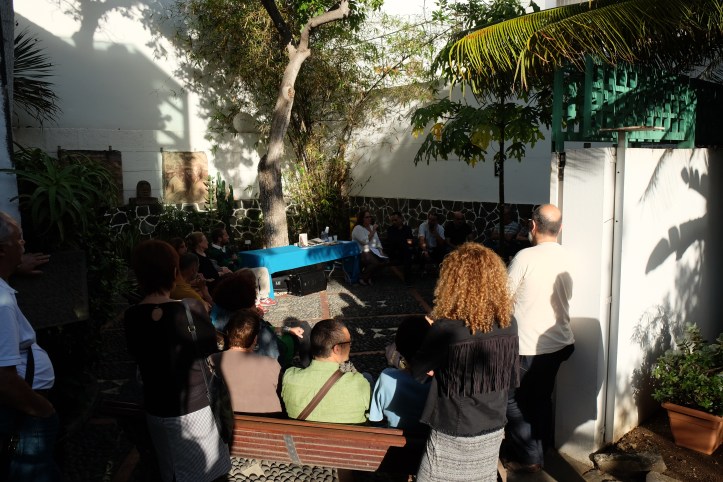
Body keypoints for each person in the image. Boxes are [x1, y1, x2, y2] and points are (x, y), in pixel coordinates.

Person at [124, 240, 230, 482]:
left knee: (172, 472)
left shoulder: (132, 316)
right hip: (196, 409)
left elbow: (137, 355)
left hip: (156, 408)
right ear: (174, 272)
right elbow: (210, 352)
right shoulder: (191, 308)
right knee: (207, 472)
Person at [411, 243, 518, 482]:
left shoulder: (447, 329)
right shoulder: (509, 323)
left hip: (454, 426)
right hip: (493, 424)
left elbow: (418, 370)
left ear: (452, 283)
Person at [504, 204, 574, 473]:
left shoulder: (525, 257)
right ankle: (541, 449)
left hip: (528, 345)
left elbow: (504, 297)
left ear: (532, 226)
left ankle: (530, 457)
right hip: (560, 342)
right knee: (541, 398)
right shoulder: (568, 256)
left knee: (511, 400)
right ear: (560, 228)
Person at [0, 212, 62, 481]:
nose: (23, 244)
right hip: (24, 411)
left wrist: (12, 268)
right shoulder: (1, 304)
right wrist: (42, 410)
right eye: (18, 240)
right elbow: (3, 379)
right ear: (2, 251)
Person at [211, 269, 310, 368]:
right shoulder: (249, 324)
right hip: (274, 362)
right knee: (304, 327)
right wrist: (256, 318)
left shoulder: (216, 313)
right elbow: (276, 353)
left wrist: (287, 329)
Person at [282, 319, 370, 423]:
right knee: (368, 376)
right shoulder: (359, 383)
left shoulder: (289, 377)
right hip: (348, 433)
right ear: (337, 349)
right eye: (349, 343)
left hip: (300, 433)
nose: (350, 346)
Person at [209, 308, 283, 415]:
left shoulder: (212, 360)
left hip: (226, 420)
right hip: (267, 419)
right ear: (255, 339)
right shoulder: (272, 364)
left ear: (228, 332)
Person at [369, 316, 432, 429]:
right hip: (428, 438)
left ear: (398, 348)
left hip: (394, 437)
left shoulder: (386, 377)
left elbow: (375, 418)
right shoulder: (440, 382)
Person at [351, 210, 388, 286]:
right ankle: (362, 277)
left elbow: (377, 240)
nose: (369, 218)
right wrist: (373, 231)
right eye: (367, 217)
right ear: (362, 219)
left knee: (385, 260)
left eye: (370, 217)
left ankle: (369, 276)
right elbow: (364, 241)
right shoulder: (358, 228)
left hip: (373, 251)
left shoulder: (371, 226)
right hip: (362, 251)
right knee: (375, 262)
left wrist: (380, 251)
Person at [384, 211, 415, 284]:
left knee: (408, 253)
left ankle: (407, 278)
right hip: (395, 252)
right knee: (407, 253)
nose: (394, 222)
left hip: (405, 251)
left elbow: (410, 240)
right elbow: (393, 242)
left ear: (401, 219)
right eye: (392, 221)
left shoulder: (407, 229)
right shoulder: (390, 229)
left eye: (395, 220)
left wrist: (409, 245)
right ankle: (407, 279)